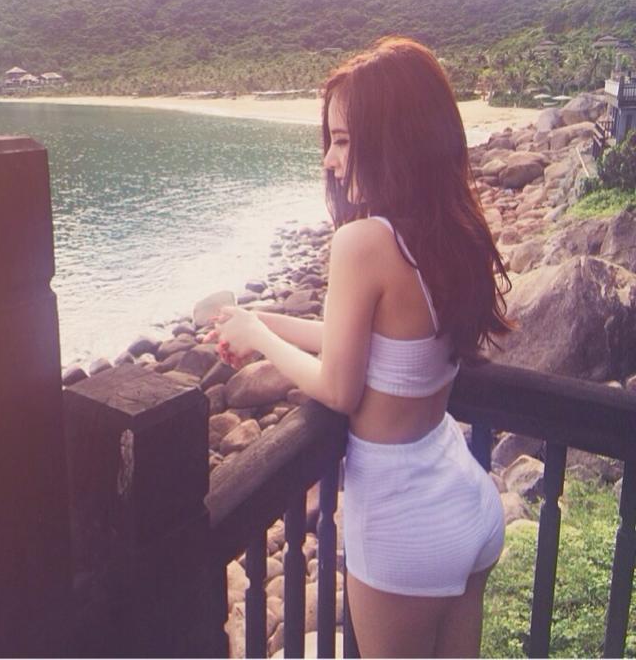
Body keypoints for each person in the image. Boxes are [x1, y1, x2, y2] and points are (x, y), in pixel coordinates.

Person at [205, 36, 515, 658]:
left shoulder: (363, 242)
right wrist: (262, 319)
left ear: (393, 139)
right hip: (467, 502)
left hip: (405, 531)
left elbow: (340, 388)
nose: (330, 160)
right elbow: (381, 350)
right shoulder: (444, 231)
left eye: (344, 140)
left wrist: (259, 338)